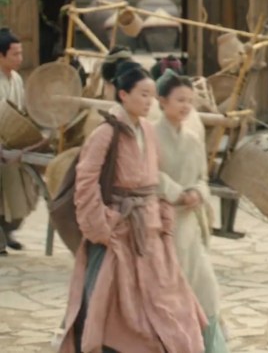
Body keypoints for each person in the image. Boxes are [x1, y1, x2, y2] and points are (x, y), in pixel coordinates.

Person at [59, 61, 206, 353]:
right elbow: (85, 181)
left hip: (148, 229)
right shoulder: (105, 132)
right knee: (110, 303)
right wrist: (101, 226)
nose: (149, 102)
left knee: (164, 302)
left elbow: (154, 179)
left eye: (151, 95)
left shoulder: (148, 131)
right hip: (117, 230)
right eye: (143, 95)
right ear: (123, 95)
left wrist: (162, 217)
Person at [155, 71, 228, 352]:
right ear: (162, 101)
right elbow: (147, 174)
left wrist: (197, 192)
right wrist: (176, 192)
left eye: (189, 100)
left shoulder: (193, 138)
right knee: (168, 294)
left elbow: (202, 178)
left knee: (206, 290)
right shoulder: (150, 136)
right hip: (161, 224)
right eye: (179, 100)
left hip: (190, 224)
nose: (186, 106)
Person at [0, 28, 37, 254]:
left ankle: (8, 230)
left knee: (23, 190)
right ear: (1, 56)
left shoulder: (16, 79)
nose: (20, 58)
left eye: (21, 53)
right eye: (15, 54)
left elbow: (21, 111)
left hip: (12, 142)